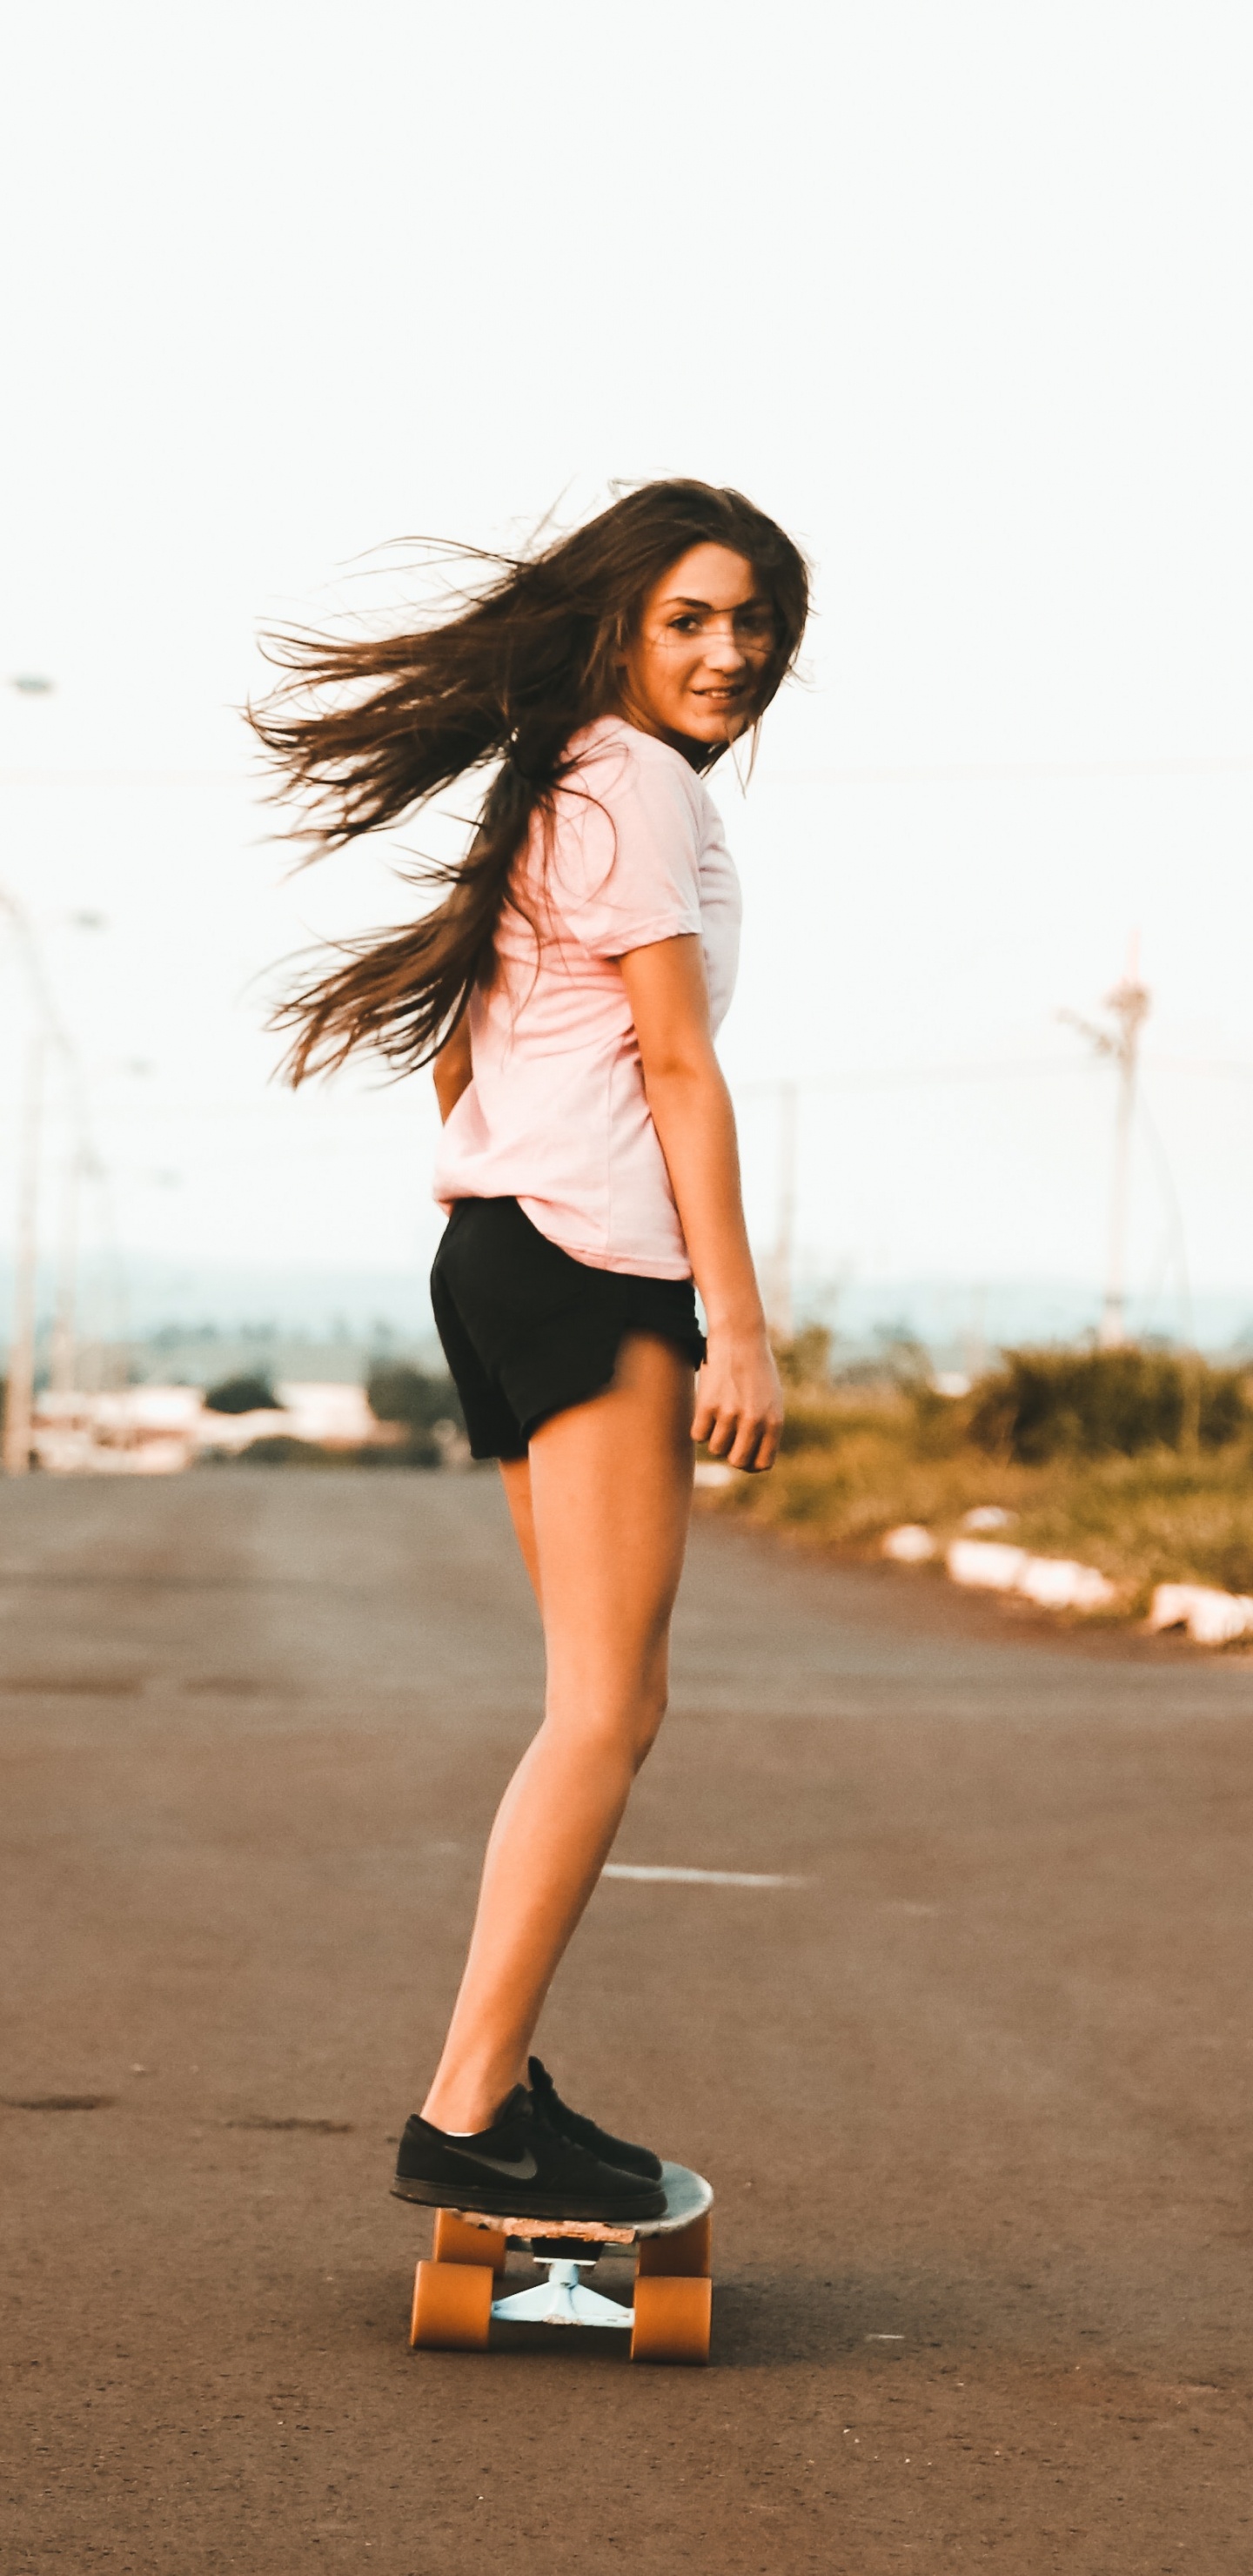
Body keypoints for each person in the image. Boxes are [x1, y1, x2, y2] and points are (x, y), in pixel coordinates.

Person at [253, 480, 809, 2222]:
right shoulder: (633, 780)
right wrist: (738, 1324)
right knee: (606, 1707)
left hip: (500, 1248)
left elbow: (465, 1044)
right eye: (691, 618)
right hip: (590, 1259)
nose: (731, 651)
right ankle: (469, 2104)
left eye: (754, 620)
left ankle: (487, 2085)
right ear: (622, 626)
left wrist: (512, 1190)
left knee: (593, 1699)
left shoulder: (560, 773)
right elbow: (676, 1065)